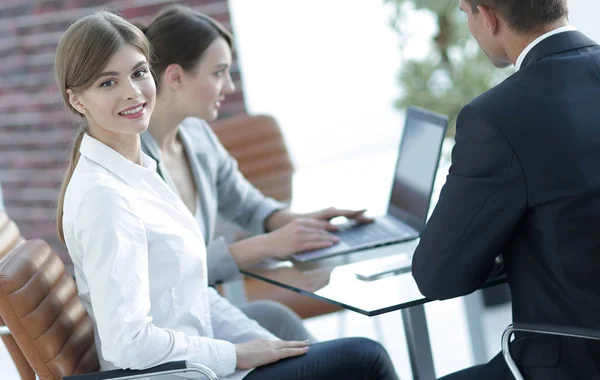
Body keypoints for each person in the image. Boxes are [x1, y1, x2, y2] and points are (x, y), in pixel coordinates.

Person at [55, 11, 398, 380]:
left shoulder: (138, 173)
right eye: (108, 83)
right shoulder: (105, 198)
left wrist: (263, 346)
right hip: (183, 373)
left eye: (139, 72)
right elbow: (129, 345)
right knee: (367, 358)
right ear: (78, 100)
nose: (133, 92)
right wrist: (235, 354)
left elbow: (192, 297)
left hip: (201, 358)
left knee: (332, 354)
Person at [137, 4, 372, 341]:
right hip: (173, 333)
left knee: (285, 324)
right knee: (357, 355)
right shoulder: (134, 163)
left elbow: (247, 205)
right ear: (175, 77)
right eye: (218, 73)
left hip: (206, 311)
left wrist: (303, 222)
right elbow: (171, 273)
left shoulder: (196, 135)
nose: (228, 87)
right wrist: (266, 246)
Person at [410, 1, 600, 379]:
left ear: (489, 16)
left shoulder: (496, 117)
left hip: (576, 362)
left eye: (465, 13)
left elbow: (438, 275)